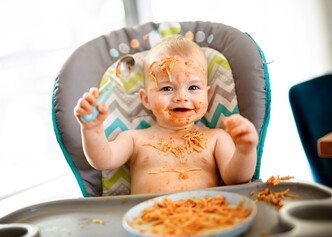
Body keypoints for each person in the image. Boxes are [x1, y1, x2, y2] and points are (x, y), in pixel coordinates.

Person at [74, 35, 258, 194]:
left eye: (193, 87)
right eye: (167, 88)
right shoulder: (134, 139)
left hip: (205, 218)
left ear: (207, 95)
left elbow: (236, 179)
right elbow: (103, 160)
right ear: (146, 99)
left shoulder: (217, 138)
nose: (181, 97)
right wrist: (92, 129)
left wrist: (245, 150)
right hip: (148, 223)